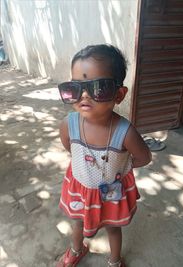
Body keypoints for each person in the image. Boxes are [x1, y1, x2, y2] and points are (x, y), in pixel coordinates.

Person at [57, 44, 152, 267]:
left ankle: (114, 260)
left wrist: (120, 167)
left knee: (113, 227)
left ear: (119, 94)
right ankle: (76, 249)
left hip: (111, 192)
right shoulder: (68, 125)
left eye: (99, 88)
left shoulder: (125, 132)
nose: (85, 95)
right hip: (81, 188)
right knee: (78, 223)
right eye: (76, 87)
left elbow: (143, 157)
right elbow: (70, 148)